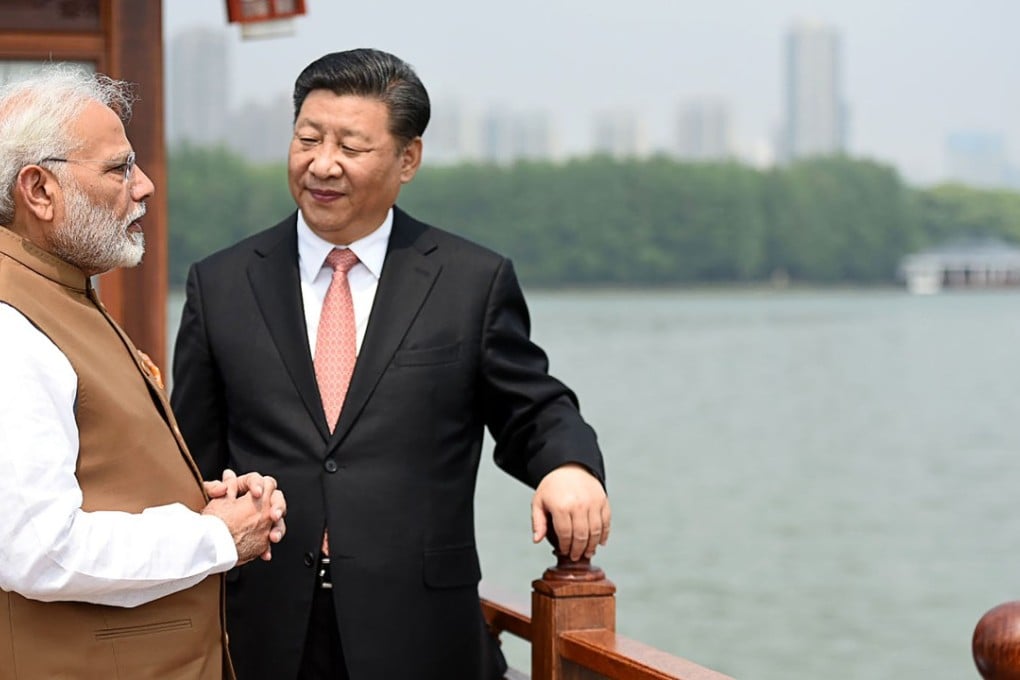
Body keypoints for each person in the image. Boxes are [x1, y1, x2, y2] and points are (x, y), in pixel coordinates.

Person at [171, 48, 610, 680]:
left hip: (423, 636)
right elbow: (192, 456)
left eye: (351, 146)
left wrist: (569, 467)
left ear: (408, 159)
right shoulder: (221, 284)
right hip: (260, 631)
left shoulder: (470, 281)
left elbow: (533, 407)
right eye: (308, 138)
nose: (322, 164)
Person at [0, 65, 288, 680]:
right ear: (39, 190)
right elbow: (38, 551)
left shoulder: (61, 292)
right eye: (119, 168)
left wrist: (201, 502)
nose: (146, 185)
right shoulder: (12, 325)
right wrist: (214, 537)